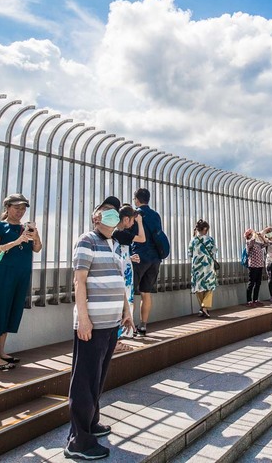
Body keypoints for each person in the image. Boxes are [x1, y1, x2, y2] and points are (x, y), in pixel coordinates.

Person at [64, 196, 135, 460]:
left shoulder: (114, 244)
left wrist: (126, 312)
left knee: (98, 377)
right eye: (107, 212)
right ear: (96, 217)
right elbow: (79, 281)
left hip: (110, 323)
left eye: (115, 212)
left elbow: (118, 281)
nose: (113, 215)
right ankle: (78, 441)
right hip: (92, 324)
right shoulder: (87, 240)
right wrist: (83, 319)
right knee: (84, 381)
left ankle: (92, 422)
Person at [0, 194, 42, 371]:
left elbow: (37, 248)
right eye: (16, 208)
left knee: (11, 312)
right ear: (7, 208)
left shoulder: (25, 228)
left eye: (23, 208)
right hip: (2, 275)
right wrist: (15, 242)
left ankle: (1, 351)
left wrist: (35, 236)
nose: (20, 211)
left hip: (20, 276)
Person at [131, 188, 166, 337]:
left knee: (130, 293)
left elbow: (132, 235)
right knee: (146, 293)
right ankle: (143, 326)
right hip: (155, 258)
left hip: (139, 257)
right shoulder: (155, 215)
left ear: (137, 199)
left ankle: (128, 327)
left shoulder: (135, 214)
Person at [111, 205, 143, 350]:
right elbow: (142, 238)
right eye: (132, 221)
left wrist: (129, 258)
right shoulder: (120, 233)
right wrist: (140, 223)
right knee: (124, 301)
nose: (133, 224)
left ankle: (119, 336)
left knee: (124, 301)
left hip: (123, 268)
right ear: (125, 219)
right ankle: (118, 337)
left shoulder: (115, 234)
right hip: (124, 272)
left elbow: (119, 255)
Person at [189, 219, 217, 317]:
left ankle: (202, 308)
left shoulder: (193, 240)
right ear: (205, 229)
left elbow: (190, 253)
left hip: (196, 267)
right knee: (209, 287)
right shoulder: (210, 239)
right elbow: (214, 251)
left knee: (198, 288)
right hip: (208, 267)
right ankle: (205, 307)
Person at [244, 227, 268, 306]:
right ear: (248, 235)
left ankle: (255, 299)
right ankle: (249, 301)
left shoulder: (257, 244)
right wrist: (255, 233)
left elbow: (266, 243)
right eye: (250, 234)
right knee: (251, 283)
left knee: (258, 283)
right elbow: (253, 240)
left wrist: (261, 236)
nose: (252, 235)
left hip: (259, 265)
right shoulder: (248, 242)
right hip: (253, 266)